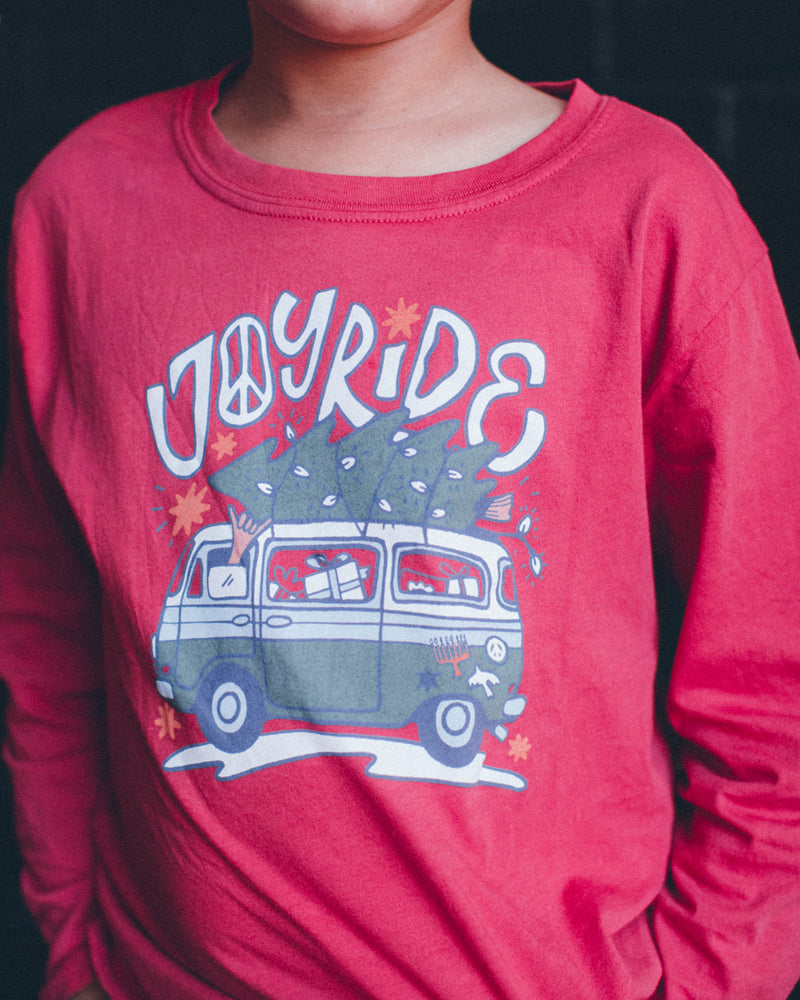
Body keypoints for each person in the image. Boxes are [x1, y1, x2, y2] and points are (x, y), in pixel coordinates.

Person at [2, 1, 799, 998]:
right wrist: (74, 949)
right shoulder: (82, 207)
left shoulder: (648, 205)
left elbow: (768, 671)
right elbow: (46, 631)